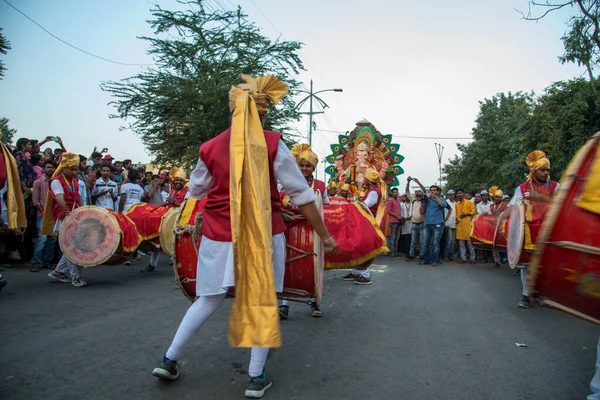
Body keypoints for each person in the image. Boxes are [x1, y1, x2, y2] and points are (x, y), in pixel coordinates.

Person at [150, 75, 337, 399]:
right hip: (263, 234)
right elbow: (302, 195)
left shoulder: (210, 147)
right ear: (263, 115)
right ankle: (254, 377)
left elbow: (195, 190)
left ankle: (169, 360)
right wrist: (325, 236)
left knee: (208, 298)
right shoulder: (272, 143)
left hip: (218, 235)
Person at [500, 150, 559, 309]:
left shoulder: (555, 186)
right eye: (542, 170)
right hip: (528, 232)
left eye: (547, 170)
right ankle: (526, 294)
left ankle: (545, 294)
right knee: (527, 264)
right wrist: (500, 219)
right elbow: (513, 206)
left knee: (546, 264)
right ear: (534, 170)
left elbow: (563, 205)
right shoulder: (523, 187)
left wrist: (540, 197)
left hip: (549, 231)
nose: (546, 173)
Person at [279, 143, 328, 317]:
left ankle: (315, 303)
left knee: (313, 267)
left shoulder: (321, 186)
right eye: (302, 165)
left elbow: (325, 208)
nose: (305, 168)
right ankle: (284, 305)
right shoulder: (286, 183)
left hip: (312, 232)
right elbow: (277, 204)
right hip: (289, 229)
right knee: (286, 266)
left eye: (308, 166)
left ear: (314, 167)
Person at [43, 153, 87, 288]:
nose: (75, 172)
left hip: (74, 215)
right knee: (72, 248)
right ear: (64, 167)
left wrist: (84, 210)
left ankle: (58, 272)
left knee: (73, 246)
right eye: (72, 169)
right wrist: (67, 211)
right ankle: (76, 278)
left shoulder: (75, 181)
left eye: (76, 169)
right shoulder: (56, 181)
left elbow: (78, 197)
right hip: (64, 216)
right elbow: (59, 197)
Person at [341, 168, 381, 284]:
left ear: (369, 180)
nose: (363, 181)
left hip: (368, 223)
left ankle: (365, 275)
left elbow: (367, 205)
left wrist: (354, 203)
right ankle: (356, 272)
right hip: (365, 222)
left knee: (364, 248)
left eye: (365, 179)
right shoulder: (372, 190)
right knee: (357, 247)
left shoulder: (374, 192)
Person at [30, 160, 58, 272]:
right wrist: (43, 212)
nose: (50, 169)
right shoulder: (38, 182)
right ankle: (36, 262)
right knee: (42, 239)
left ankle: (48, 261)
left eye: (52, 167)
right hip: (42, 214)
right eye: (48, 167)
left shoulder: (56, 183)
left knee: (52, 239)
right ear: (44, 169)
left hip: (54, 215)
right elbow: (35, 201)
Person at [413, 179, 447, 267]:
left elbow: (443, 206)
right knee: (425, 242)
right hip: (427, 223)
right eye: (431, 190)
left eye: (434, 190)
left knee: (435, 243)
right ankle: (426, 260)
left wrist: (435, 197)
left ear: (438, 192)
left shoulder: (442, 199)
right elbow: (424, 191)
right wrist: (418, 182)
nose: (432, 192)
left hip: (438, 224)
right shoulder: (427, 199)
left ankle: (435, 260)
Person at [455, 189, 476, 264]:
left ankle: (472, 258)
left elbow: (473, 212)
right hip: (460, 226)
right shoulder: (456, 204)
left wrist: (466, 214)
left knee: (470, 244)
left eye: (460, 193)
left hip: (468, 225)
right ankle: (463, 258)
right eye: (458, 193)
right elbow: (457, 213)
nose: (459, 194)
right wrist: (457, 219)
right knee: (461, 244)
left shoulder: (469, 202)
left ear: (463, 194)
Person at [406, 180, 426, 261]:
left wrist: (418, 182)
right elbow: (407, 192)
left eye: (419, 191)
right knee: (413, 241)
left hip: (422, 223)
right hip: (414, 223)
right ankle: (411, 255)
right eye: (417, 192)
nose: (418, 192)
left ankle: (421, 255)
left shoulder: (424, 201)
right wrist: (408, 182)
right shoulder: (413, 201)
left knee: (422, 241)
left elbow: (424, 190)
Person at [489, 186, 506, 267]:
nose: (497, 199)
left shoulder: (506, 205)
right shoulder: (491, 206)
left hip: (503, 227)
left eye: (499, 197)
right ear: (493, 197)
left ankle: (508, 259)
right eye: (496, 197)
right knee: (494, 244)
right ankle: (497, 261)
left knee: (504, 243)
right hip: (493, 226)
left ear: (502, 198)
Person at [385, 187, 402, 257]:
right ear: (392, 193)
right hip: (393, 221)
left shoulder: (398, 200)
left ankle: (395, 251)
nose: (395, 193)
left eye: (396, 192)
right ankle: (392, 252)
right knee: (393, 237)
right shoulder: (390, 200)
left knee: (397, 238)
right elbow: (389, 211)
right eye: (394, 192)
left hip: (399, 221)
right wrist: (397, 216)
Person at [443, 189, 457, 261]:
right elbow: (445, 214)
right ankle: (446, 255)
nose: (451, 196)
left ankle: (451, 255)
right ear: (448, 195)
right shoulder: (445, 203)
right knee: (449, 240)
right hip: (448, 224)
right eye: (450, 195)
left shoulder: (456, 203)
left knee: (453, 241)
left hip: (454, 224)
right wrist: (445, 224)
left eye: (452, 195)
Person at [399, 193, 412, 257]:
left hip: (412, 222)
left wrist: (411, 216)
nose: (407, 198)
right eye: (405, 196)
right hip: (405, 223)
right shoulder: (402, 205)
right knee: (406, 238)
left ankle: (411, 252)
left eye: (408, 196)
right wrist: (403, 218)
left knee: (411, 239)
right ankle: (406, 252)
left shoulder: (413, 204)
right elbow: (401, 213)